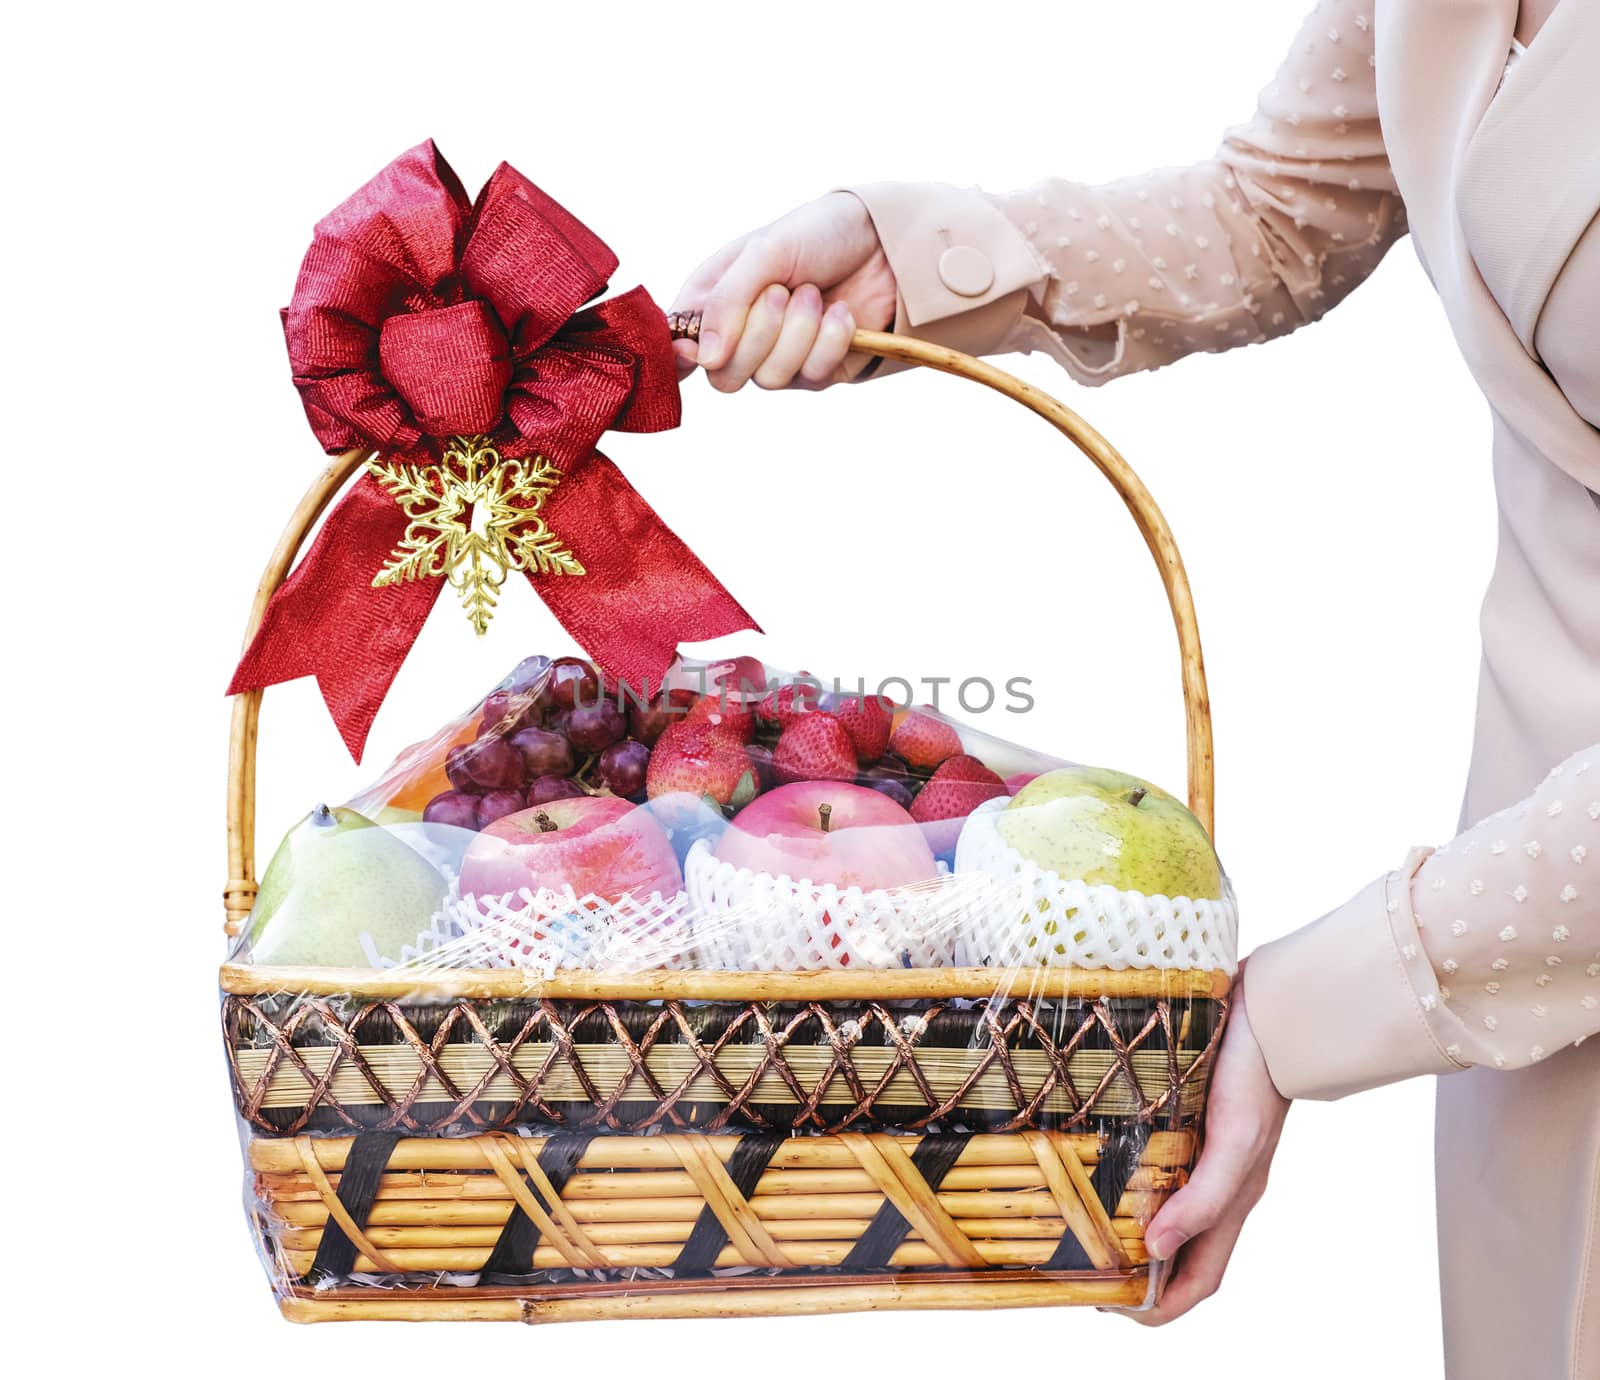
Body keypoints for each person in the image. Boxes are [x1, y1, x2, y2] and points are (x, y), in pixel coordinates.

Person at [671, 1, 1598, 1375]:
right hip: (1532, 908)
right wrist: (919, 256)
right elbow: (1283, 206)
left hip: (1519, 911)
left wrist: (1307, 1005)